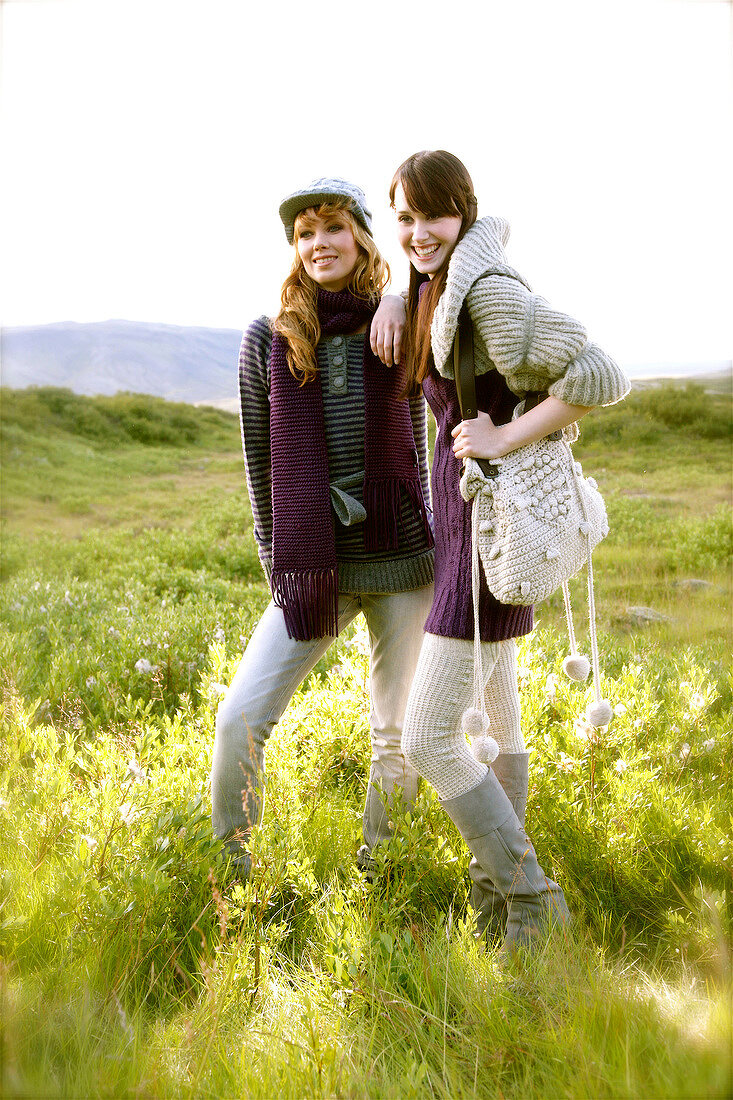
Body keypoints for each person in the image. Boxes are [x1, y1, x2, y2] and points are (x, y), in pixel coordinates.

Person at [391, 150, 630, 950]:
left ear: (464, 211)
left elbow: (599, 374)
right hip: (474, 526)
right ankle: (498, 907)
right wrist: (402, 291)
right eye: (404, 218)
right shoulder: (442, 284)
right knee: (500, 719)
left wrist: (502, 434)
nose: (418, 232)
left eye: (432, 215)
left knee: (428, 736)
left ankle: (531, 896)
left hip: (492, 527)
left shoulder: (489, 292)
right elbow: (432, 296)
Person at [211, 178, 435, 879]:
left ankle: (383, 876)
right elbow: (259, 462)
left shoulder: (399, 327)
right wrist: (276, 562)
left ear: (361, 238)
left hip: (401, 559)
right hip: (312, 567)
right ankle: (234, 880)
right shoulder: (268, 342)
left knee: (396, 737)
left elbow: (419, 449)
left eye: (331, 228)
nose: (317, 244)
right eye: (304, 234)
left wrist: (398, 297)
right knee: (240, 720)